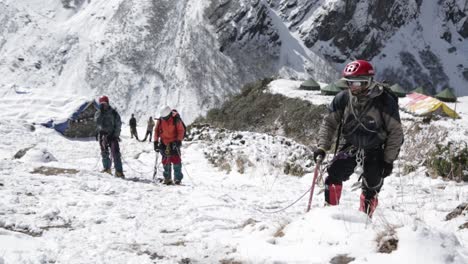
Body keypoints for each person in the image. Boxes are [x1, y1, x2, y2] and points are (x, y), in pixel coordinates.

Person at [314, 60, 404, 217]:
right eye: (349, 82)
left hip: (376, 149)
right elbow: (329, 124)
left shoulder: (384, 101)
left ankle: (365, 221)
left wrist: (388, 161)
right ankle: (330, 216)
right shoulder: (343, 98)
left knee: (371, 186)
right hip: (352, 145)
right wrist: (322, 147)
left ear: (368, 81)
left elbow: (395, 132)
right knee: (334, 175)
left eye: (357, 83)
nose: (353, 87)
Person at [153, 106, 185, 185]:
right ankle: (167, 178)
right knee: (165, 161)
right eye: (163, 118)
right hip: (164, 143)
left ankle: (177, 179)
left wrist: (178, 141)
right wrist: (155, 142)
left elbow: (181, 130)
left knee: (176, 161)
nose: (164, 119)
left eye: (166, 117)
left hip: (174, 142)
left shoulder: (176, 119)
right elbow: (156, 131)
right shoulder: (160, 120)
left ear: (169, 114)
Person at [94, 95, 125, 178]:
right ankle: (107, 168)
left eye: (104, 103)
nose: (103, 105)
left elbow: (118, 125)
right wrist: (100, 112)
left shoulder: (114, 113)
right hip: (103, 136)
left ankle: (119, 171)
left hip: (112, 136)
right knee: (104, 153)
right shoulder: (98, 113)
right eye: (101, 104)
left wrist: (115, 135)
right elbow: (97, 123)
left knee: (116, 153)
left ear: (108, 103)